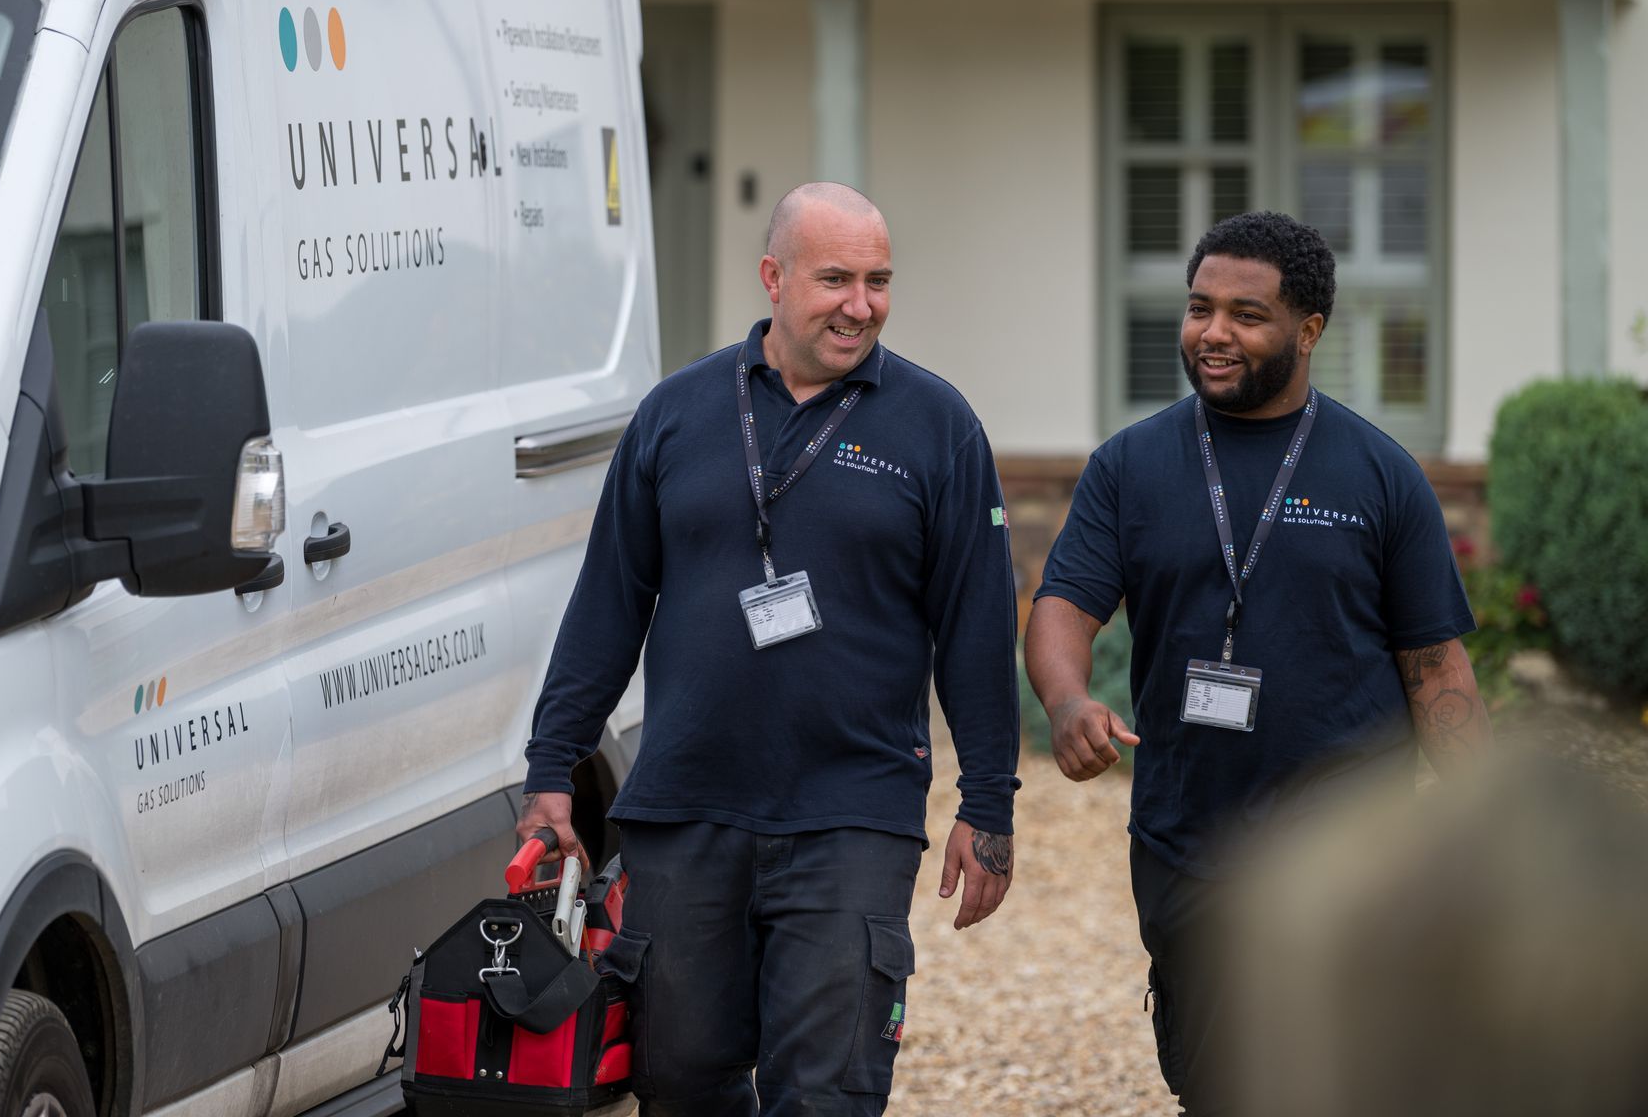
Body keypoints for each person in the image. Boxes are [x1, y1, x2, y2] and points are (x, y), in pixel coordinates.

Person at [517, 182, 1020, 1117]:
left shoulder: (937, 427)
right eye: (835, 279)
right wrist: (552, 767)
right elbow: (606, 607)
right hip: (683, 809)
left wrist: (989, 803)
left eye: (878, 281)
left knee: (826, 1093)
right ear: (772, 277)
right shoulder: (676, 414)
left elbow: (978, 629)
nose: (860, 305)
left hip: (851, 811)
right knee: (681, 1083)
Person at [1025, 210, 1492, 1116]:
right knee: (1212, 1081)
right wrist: (1068, 698)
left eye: (1246, 314)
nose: (1214, 334)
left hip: (1353, 848)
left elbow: (1435, 668)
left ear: (1309, 331)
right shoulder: (1131, 465)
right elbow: (1063, 607)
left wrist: (1485, 827)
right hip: (1187, 838)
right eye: (1201, 308)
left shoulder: (1381, 474)